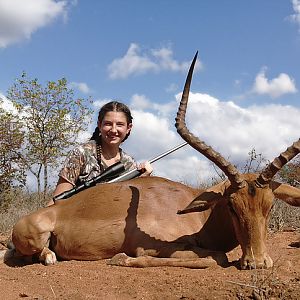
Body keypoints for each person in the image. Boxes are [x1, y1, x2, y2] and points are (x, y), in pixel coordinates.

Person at [49, 101, 153, 206]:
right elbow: (57, 200)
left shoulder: (130, 164)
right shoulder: (81, 154)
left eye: (120, 124)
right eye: (108, 124)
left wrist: (144, 181)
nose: (113, 130)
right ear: (99, 125)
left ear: (128, 128)